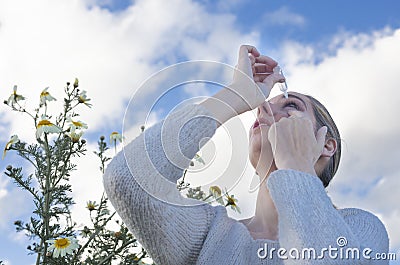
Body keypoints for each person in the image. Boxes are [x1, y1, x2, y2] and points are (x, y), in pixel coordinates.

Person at [103, 45, 389, 264]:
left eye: (290, 106)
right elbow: (128, 179)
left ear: (326, 145)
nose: (263, 109)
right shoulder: (210, 236)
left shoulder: (359, 228)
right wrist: (236, 94)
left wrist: (296, 167)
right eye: (264, 104)